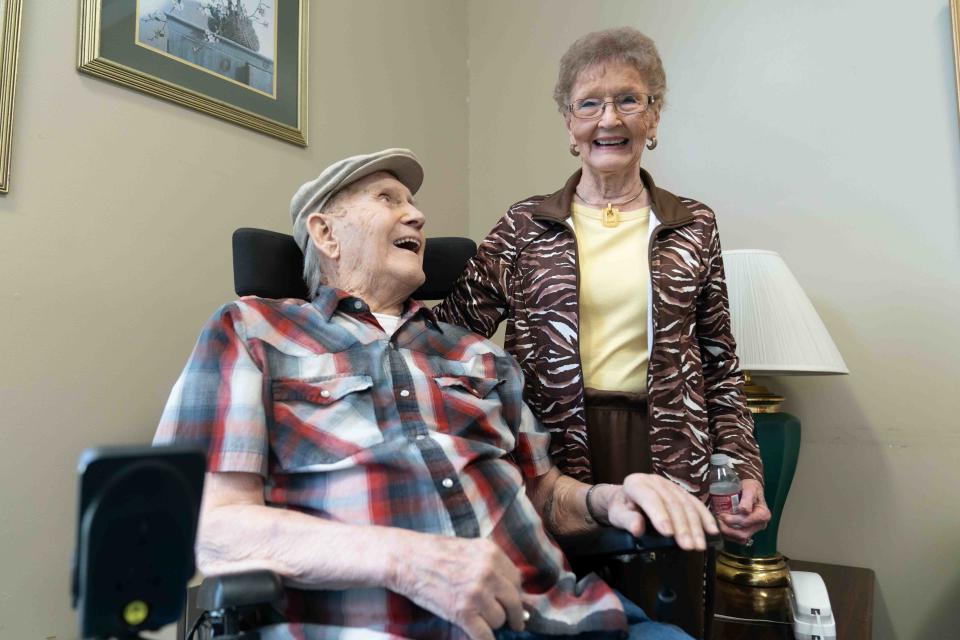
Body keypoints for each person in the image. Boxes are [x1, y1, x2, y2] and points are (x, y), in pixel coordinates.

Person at [154, 148, 720, 640]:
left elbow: (543, 494)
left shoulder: (477, 353)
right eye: (388, 198)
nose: (418, 215)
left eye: (414, 205)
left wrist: (608, 499)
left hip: (560, 617)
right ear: (326, 232)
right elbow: (208, 529)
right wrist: (406, 560)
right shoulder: (253, 332)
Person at [433, 28, 771, 638]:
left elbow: (720, 364)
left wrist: (744, 466)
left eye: (629, 100)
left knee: (668, 613)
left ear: (654, 114)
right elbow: (453, 342)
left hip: (674, 452)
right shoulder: (523, 226)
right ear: (569, 122)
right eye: (589, 103)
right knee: (566, 615)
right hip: (554, 454)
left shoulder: (694, 225)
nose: (608, 119)